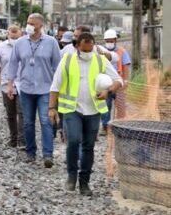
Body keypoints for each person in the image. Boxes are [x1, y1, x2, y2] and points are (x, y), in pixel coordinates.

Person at [49, 32, 122, 196]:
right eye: (85, 50)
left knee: (89, 146)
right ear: (77, 46)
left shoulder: (100, 60)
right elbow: (55, 86)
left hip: (93, 111)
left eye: (91, 49)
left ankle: (84, 182)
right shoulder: (67, 60)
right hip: (72, 110)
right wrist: (52, 108)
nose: (89, 53)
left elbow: (118, 80)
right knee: (73, 140)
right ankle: (71, 175)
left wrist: (108, 91)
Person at [7, 13, 61, 167]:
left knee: (46, 121)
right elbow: (13, 64)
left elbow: (58, 67)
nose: (29, 26)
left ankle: (48, 155)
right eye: (28, 22)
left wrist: (59, 89)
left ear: (40, 26)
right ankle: (31, 152)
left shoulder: (51, 42)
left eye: (32, 23)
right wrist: (10, 84)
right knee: (28, 122)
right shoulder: (20, 43)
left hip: (46, 88)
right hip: (26, 88)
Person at [0, 25, 25, 148]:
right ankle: (13, 139)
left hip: (23, 84)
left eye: (16, 32)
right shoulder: (1, 47)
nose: (13, 35)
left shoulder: (26, 46)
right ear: (7, 33)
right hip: (6, 85)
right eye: (11, 32)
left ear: (21, 33)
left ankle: (22, 140)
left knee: (22, 111)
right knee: (11, 113)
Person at [101, 29, 130, 134]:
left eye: (111, 40)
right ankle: (105, 126)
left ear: (115, 40)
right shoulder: (101, 51)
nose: (109, 42)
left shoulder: (122, 51)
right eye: (107, 40)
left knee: (121, 106)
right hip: (106, 84)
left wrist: (126, 80)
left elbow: (126, 65)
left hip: (119, 84)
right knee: (105, 106)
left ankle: (121, 126)